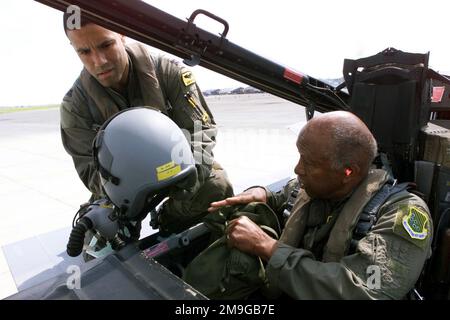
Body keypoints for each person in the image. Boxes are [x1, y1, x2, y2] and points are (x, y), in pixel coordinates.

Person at [208, 111, 433, 299]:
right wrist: (262, 193)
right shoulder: (312, 187)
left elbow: (365, 290)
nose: (298, 169)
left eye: (309, 162)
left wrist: (267, 247)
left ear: (348, 172)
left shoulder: (401, 214)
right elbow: (285, 194)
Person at [60, 13, 233, 236]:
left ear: (122, 34)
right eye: (84, 51)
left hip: (176, 170)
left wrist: (189, 177)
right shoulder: (76, 106)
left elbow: (200, 131)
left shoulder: (169, 72)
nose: (99, 60)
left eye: (106, 45)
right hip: (121, 187)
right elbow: (90, 170)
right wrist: (132, 197)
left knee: (216, 186)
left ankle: (169, 220)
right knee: (96, 234)